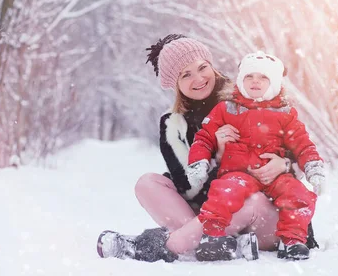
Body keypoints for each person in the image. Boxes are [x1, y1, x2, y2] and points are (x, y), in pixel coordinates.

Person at [97, 35, 317, 262]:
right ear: (176, 83)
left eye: (202, 67)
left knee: (251, 199)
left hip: (265, 219)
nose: (199, 78)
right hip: (216, 213)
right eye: (186, 74)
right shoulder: (173, 123)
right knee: (147, 183)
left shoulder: (250, 94)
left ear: (211, 65)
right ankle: (222, 243)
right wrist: (219, 156)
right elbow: (188, 188)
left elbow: (298, 142)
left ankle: (164, 246)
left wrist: (286, 163)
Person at [187, 51, 326, 260]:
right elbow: (204, 137)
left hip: (276, 175)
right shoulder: (227, 109)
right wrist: (198, 162)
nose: (255, 82)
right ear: (241, 80)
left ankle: (293, 241)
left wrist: (313, 167)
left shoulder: (285, 113)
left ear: (275, 83)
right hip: (238, 172)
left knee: (298, 195)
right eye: (249, 76)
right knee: (224, 191)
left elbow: (303, 144)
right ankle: (213, 237)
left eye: (263, 77)